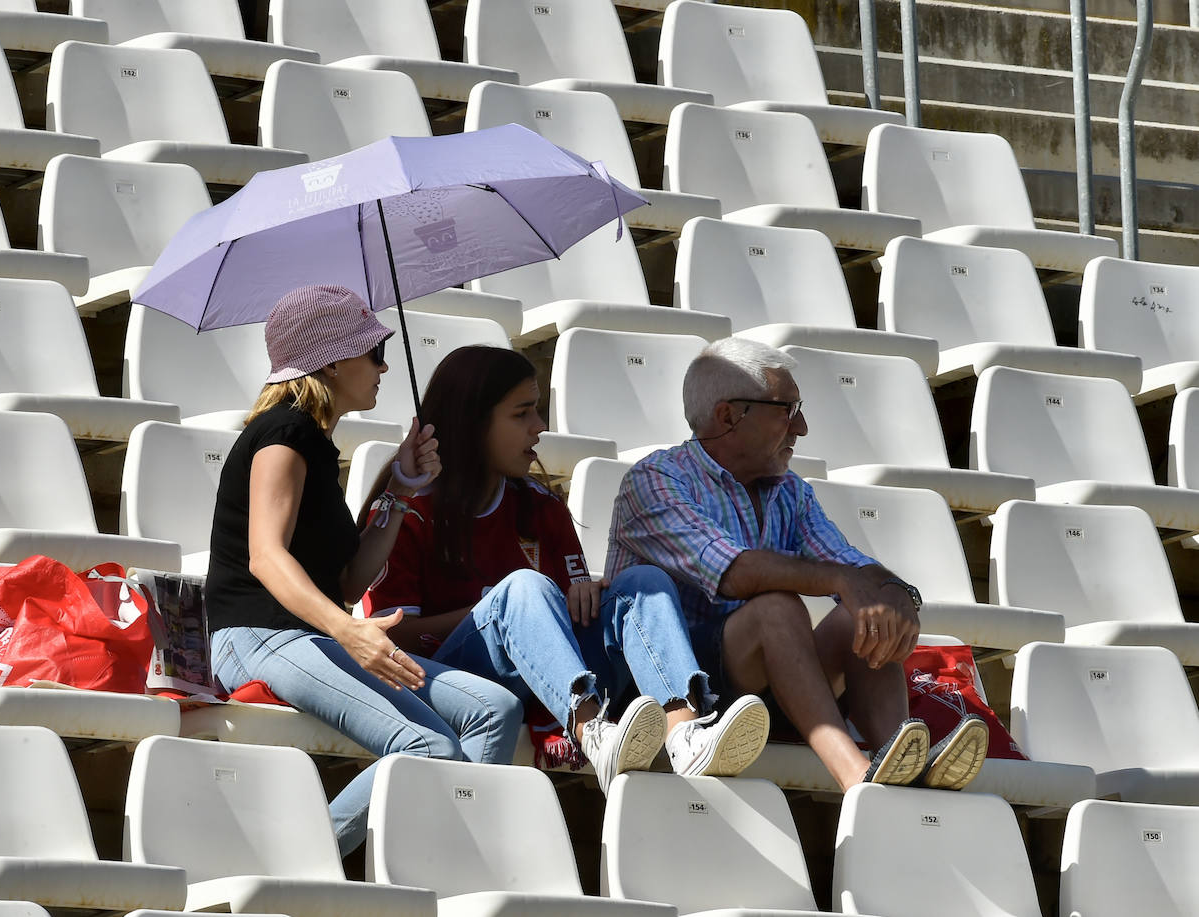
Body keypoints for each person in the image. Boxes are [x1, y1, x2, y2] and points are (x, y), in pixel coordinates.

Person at [361, 345, 770, 793]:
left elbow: (568, 612)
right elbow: (390, 635)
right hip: (447, 679)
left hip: (548, 675)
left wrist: (583, 598)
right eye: (522, 414)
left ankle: (685, 734)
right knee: (522, 589)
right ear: (472, 423)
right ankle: (592, 732)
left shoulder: (542, 507)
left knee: (643, 584)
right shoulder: (408, 509)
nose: (539, 428)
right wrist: (497, 608)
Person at [206, 286, 523, 856]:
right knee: (428, 750)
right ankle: (297, 871)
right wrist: (348, 630)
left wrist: (402, 486)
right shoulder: (284, 432)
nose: (383, 365)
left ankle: (441, 868)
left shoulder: (318, 446)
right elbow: (265, 556)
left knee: (493, 710)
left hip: (302, 636)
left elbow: (350, 581)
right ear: (331, 359)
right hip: (259, 636)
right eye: (373, 351)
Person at [606, 337, 988, 792]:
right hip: (674, 689)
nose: (802, 427)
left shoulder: (789, 491)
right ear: (729, 416)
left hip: (759, 674)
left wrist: (895, 595)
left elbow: (851, 565)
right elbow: (734, 572)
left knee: (860, 615)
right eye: (786, 409)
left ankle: (900, 760)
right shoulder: (655, 480)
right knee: (777, 608)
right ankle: (855, 774)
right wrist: (846, 580)